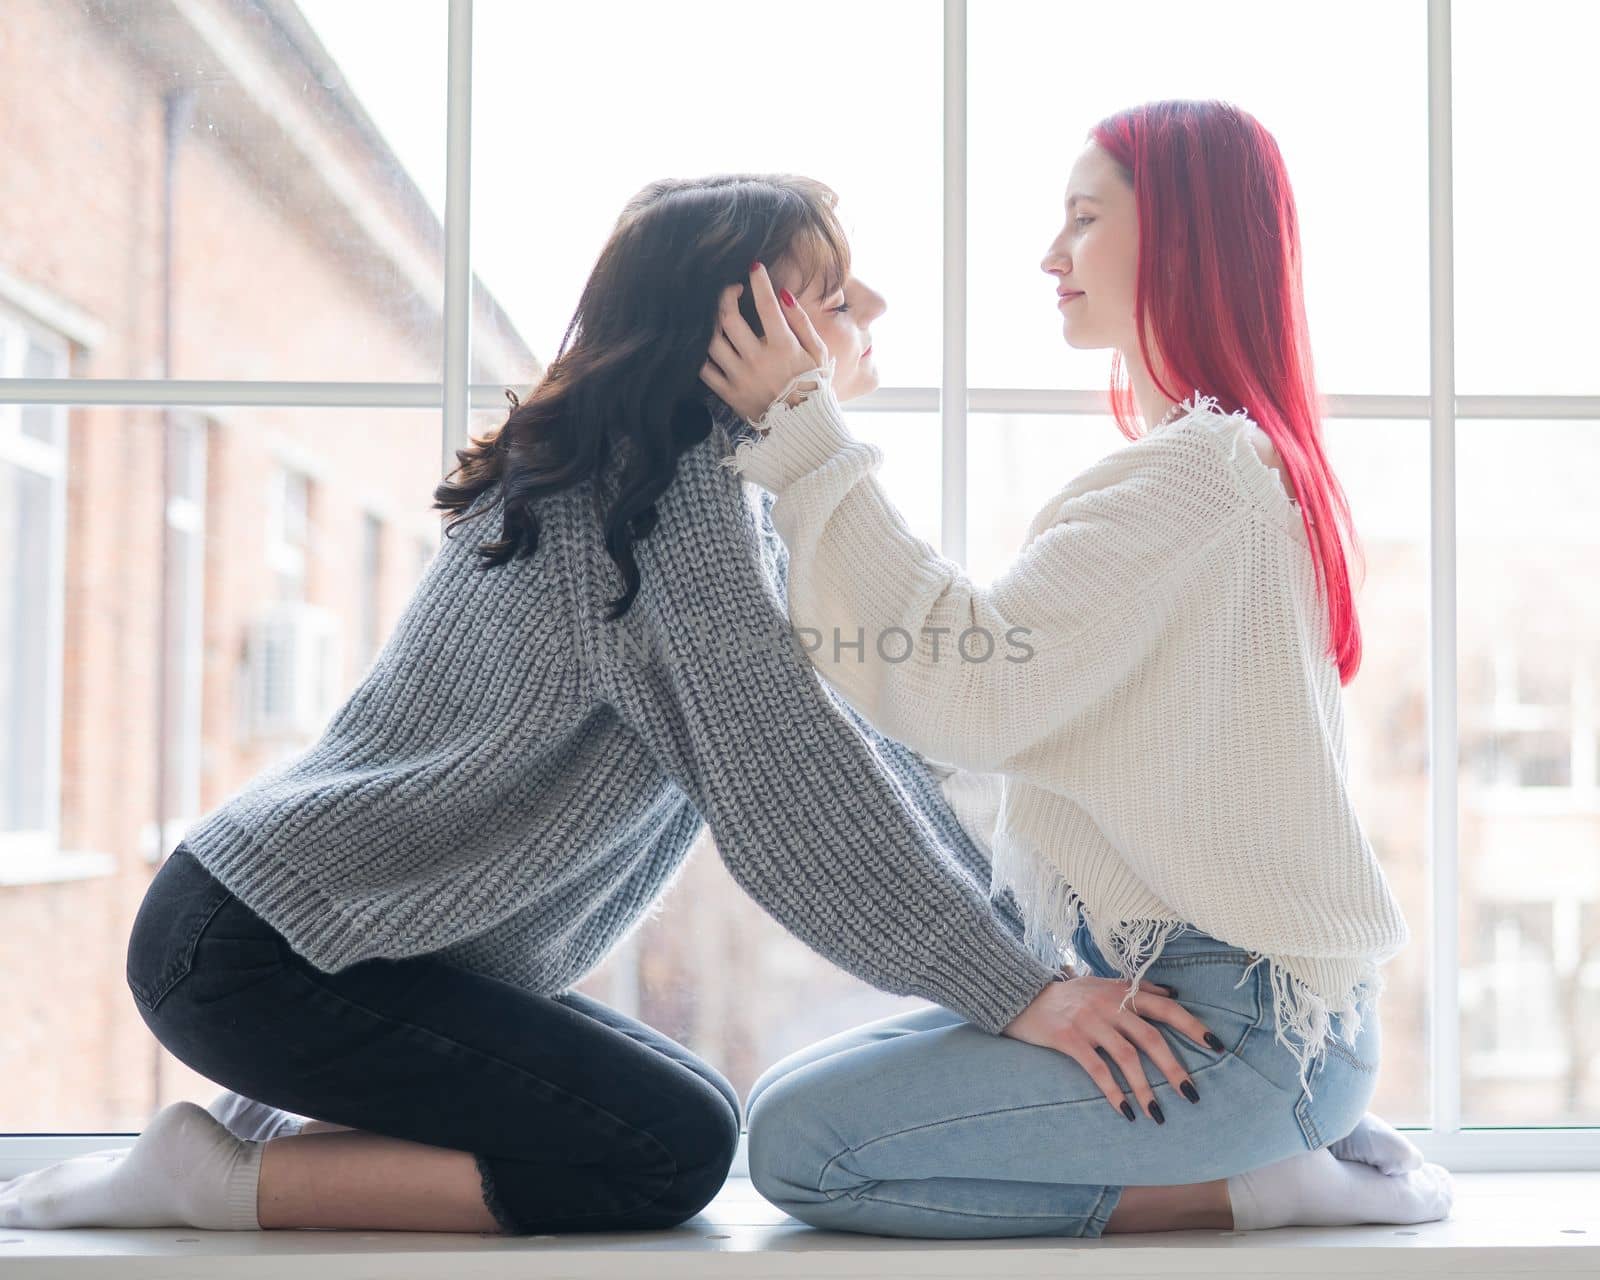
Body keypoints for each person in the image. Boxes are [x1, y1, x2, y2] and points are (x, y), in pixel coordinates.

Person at [0, 174, 1195, 1236]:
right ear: (732, 332)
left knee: (693, 1112)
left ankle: (230, 1163)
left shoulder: (674, 493)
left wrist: (1029, 960)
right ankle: (219, 1185)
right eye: (831, 292)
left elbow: (866, 751)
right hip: (260, 948)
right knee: (666, 1147)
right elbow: (795, 785)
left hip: (284, 935)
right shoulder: (667, 505)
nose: (872, 307)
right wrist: (1019, 986)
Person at [703, 100, 1455, 1239]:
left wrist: (808, 432)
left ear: (1184, 243)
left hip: (1242, 1035)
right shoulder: (1203, 467)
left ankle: (1263, 1184)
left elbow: (964, 681)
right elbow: (977, 672)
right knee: (785, 1112)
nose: (1051, 255)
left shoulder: (1201, 478)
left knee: (803, 1148)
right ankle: (1276, 1157)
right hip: (1191, 999)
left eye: (1084, 217)